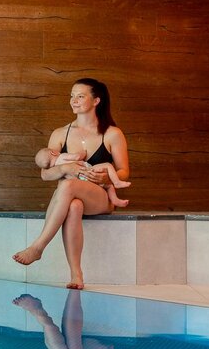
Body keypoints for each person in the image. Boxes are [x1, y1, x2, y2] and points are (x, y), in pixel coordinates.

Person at [12, 78, 130, 290]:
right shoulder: (60, 133)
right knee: (74, 206)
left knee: (67, 186)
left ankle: (38, 246)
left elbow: (124, 171)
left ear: (96, 101)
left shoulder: (112, 133)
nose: (74, 100)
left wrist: (105, 178)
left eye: (80, 96)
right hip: (70, 197)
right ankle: (76, 275)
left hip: (100, 197)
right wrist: (66, 169)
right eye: (72, 96)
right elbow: (45, 174)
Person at [35, 147, 130, 208]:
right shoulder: (62, 156)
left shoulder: (56, 168)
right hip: (88, 171)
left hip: (81, 182)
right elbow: (77, 157)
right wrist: (83, 152)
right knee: (108, 168)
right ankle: (116, 186)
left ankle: (115, 200)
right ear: (53, 153)